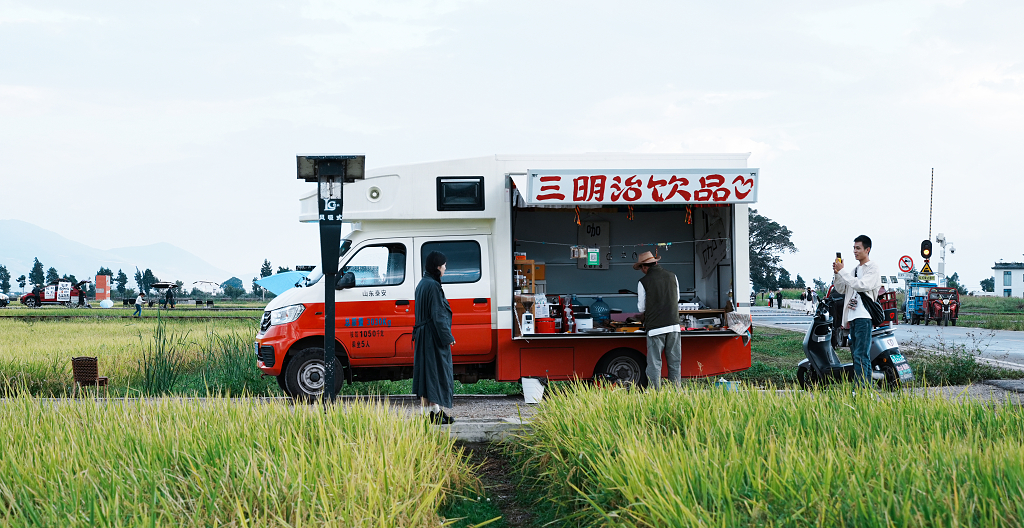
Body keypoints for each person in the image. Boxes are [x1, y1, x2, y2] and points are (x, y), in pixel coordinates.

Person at [412, 251, 456, 425]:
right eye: (444, 265)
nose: (445, 268)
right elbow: (438, 316)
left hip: (423, 336)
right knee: (436, 373)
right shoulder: (433, 286)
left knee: (426, 375)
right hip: (432, 337)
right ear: (438, 267)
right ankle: (433, 414)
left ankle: (432, 413)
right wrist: (448, 337)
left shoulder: (422, 284)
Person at [832, 234, 881, 387]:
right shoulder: (853, 270)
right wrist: (837, 273)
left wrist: (843, 272)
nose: (855, 251)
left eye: (858, 248)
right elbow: (841, 289)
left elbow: (862, 285)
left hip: (864, 316)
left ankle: (861, 389)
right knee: (857, 355)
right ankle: (864, 389)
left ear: (867, 250)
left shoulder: (872, 268)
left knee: (861, 355)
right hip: (852, 317)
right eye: (853, 248)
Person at [634, 251, 681, 390]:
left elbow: (641, 307)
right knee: (674, 363)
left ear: (644, 267)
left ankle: (655, 395)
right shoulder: (673, 276)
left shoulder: (643, 282)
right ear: (655, 262)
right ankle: (675, 392)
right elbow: (676, 299)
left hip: (655, 328)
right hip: (674, 326)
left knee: (654, 364)